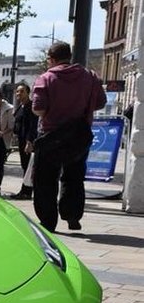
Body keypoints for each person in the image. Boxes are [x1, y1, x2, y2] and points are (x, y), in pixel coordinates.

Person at [31, 41, 107, 233]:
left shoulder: (46, 78)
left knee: (45, 180)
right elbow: (100, 102)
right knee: (74, 176)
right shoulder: (90, 77)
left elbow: (38, 108)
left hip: (51, 135)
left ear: (52, 58)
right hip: (80, 134)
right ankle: (72, 215)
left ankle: (48, 221)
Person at [10, 83, 38, 200]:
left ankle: (27, 191)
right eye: (17, 91)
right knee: (25, 166)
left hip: (28, 141)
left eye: (22, 91)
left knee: (28, 167)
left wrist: (29, 142)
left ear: (28, 93)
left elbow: (33, 126)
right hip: (20, 140)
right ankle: (25, 190)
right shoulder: (20, 107)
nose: (19, 94)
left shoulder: (31, 107)